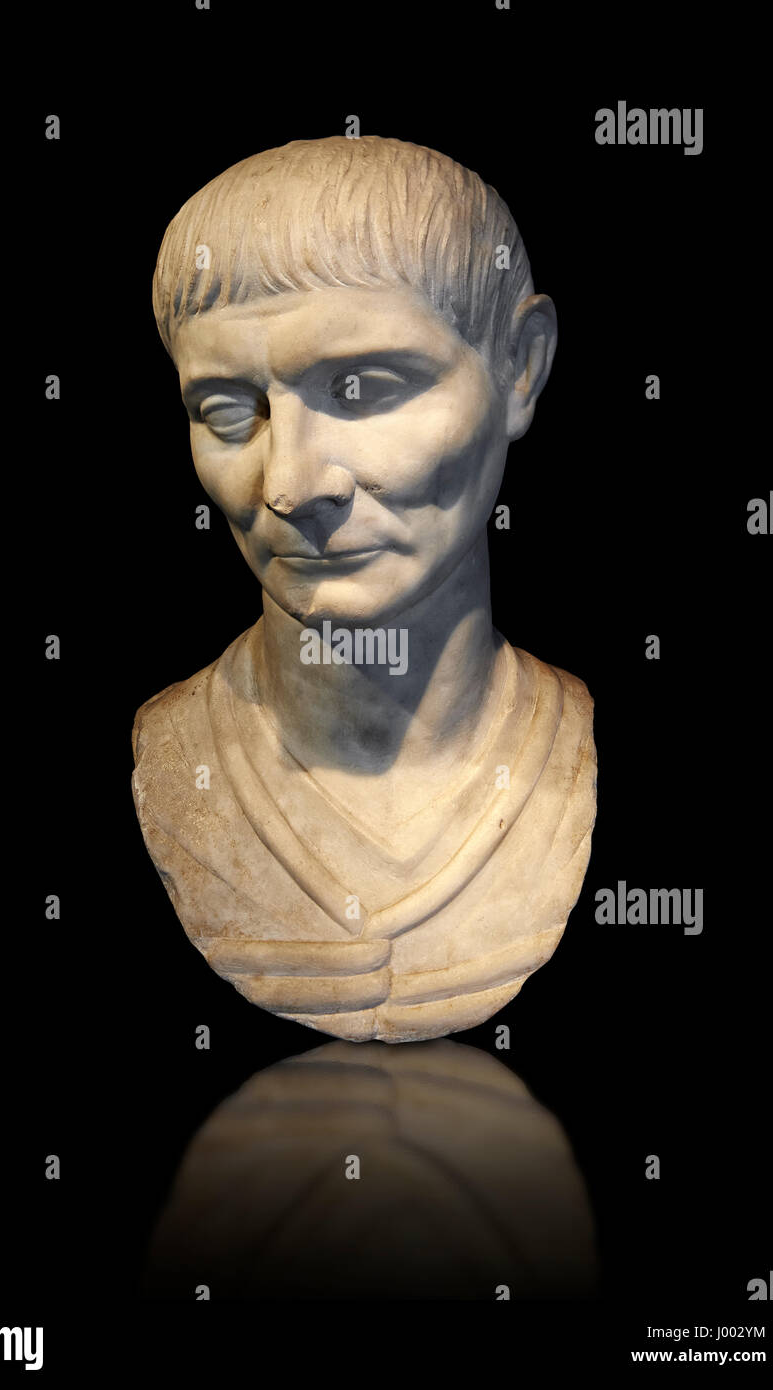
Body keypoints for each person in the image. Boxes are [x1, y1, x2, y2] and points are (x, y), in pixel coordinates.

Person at [133, 135, 596, 1043]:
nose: (292, 485)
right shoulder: (175, 758)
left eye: (362, 388)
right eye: (231, 412)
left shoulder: (564, 755)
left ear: (520, 368)